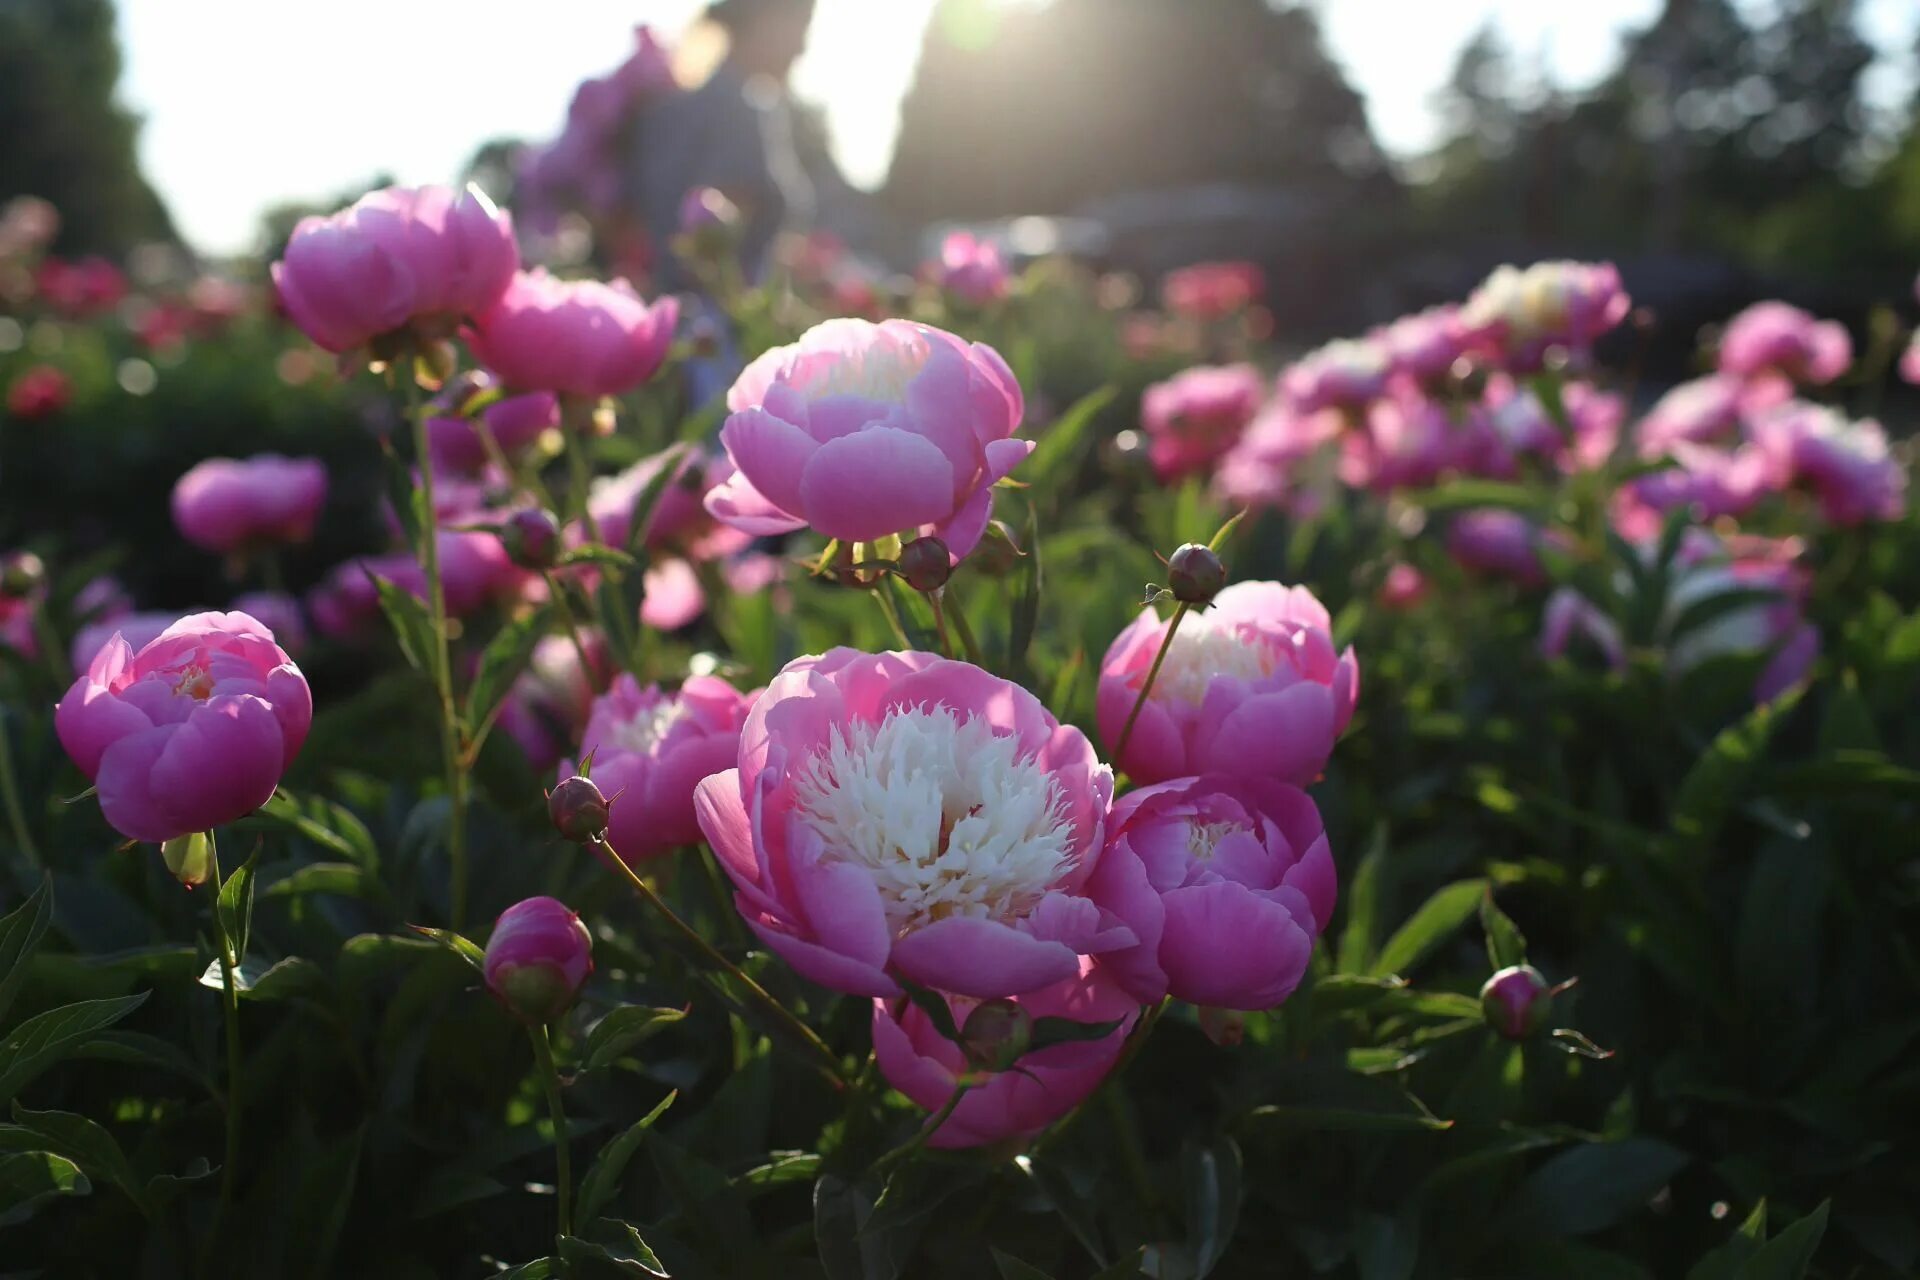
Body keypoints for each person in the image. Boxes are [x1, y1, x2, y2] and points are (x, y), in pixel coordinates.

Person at [632, 0, 819, 292]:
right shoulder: (738, 110)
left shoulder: (681, 106)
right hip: (717, 321)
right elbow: (717, 243)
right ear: (763, 20)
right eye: (800, 27)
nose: (802, 48)